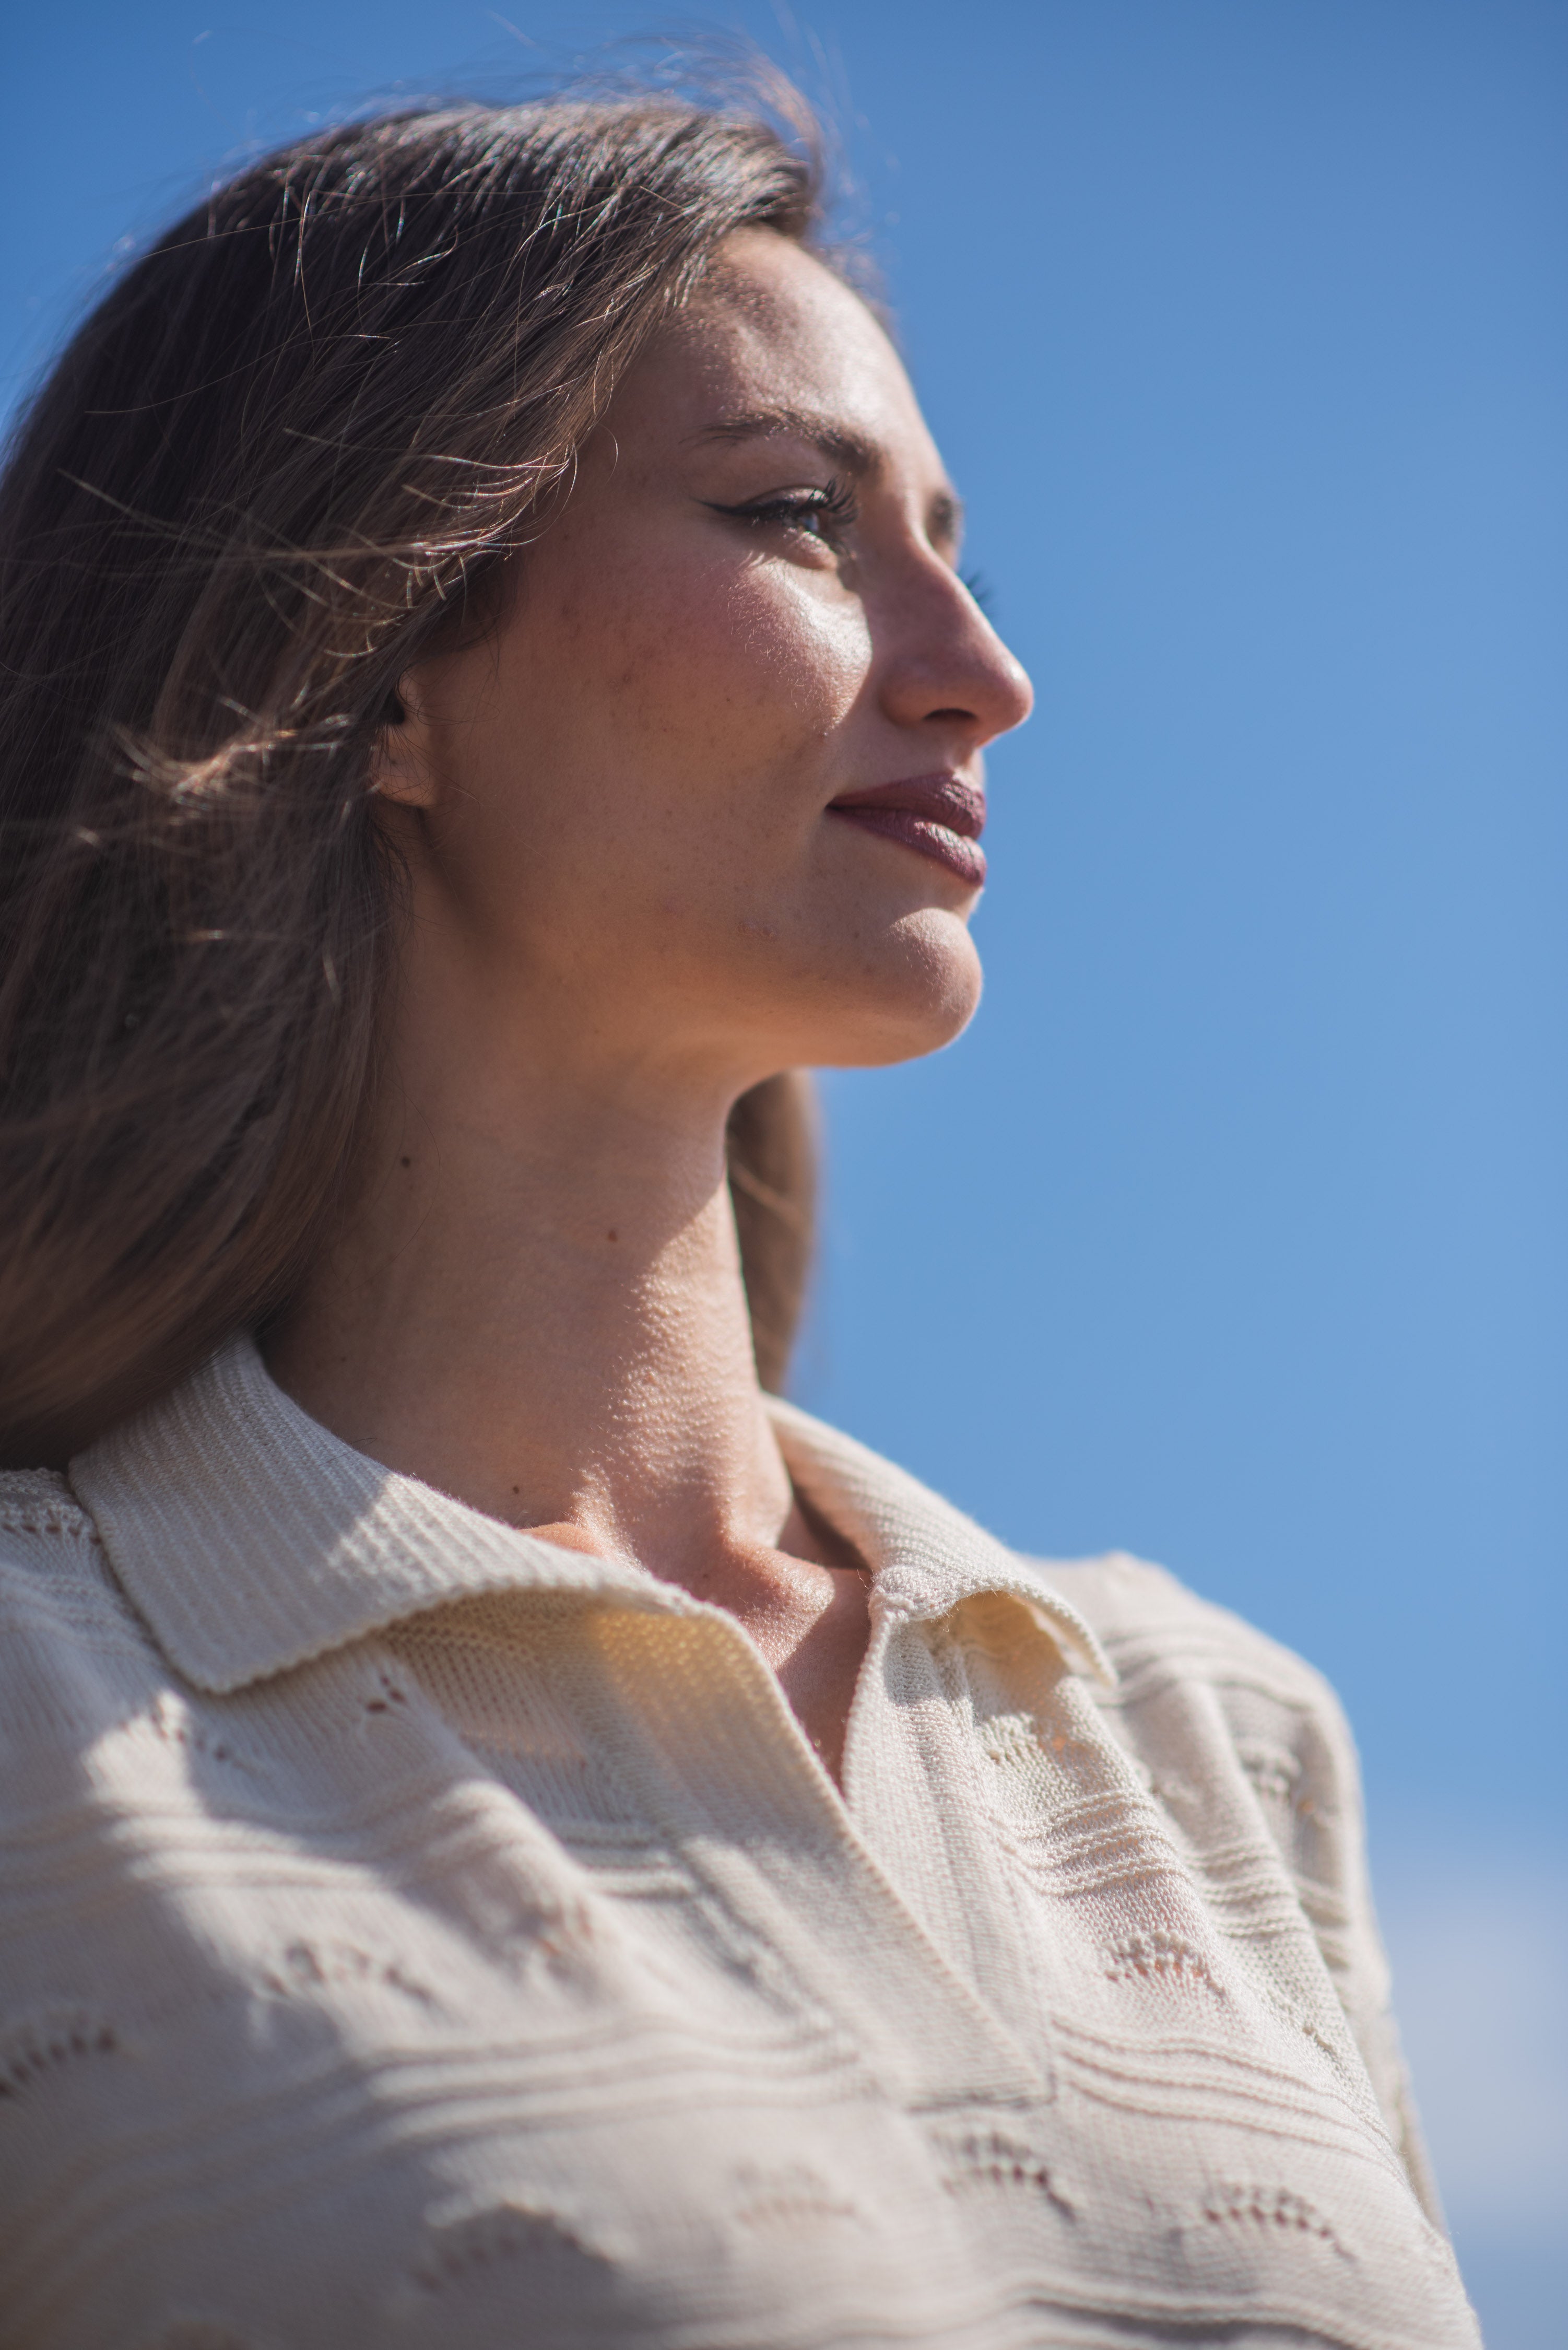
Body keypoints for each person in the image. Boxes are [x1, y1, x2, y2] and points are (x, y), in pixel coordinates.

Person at [0, 86, 1478, 2350]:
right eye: (799, 518)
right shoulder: (36, 1700)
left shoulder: (1207, 1736)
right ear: (374, 661)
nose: (981, 666)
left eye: (950, 538)